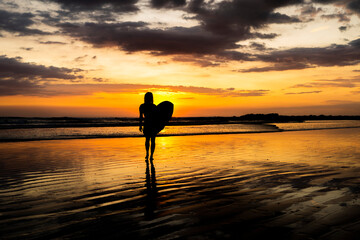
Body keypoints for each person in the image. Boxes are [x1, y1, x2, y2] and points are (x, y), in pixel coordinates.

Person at [139, 92, 157, 160]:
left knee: (147, 140)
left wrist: (140, 125)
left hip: (146, 124)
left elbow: (141, 117)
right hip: (153, 124)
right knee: (152, 140)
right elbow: (156, 118)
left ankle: (147, 154)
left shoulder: (142, 106)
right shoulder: (154, 106)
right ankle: (151, 155)